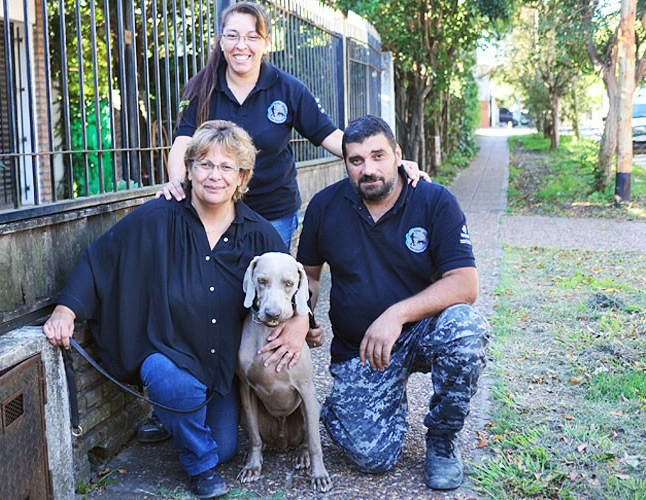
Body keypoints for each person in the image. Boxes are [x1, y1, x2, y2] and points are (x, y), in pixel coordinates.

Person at [43, 120, 309, 499]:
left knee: (226, 448)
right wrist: (66, 310)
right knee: (172, 388)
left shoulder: (259, 234)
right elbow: (101, 258)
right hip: (170, 354)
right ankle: (200, 468)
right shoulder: (158, 217)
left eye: (226, 167)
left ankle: (178, 420)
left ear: (242, 177)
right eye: (204, 164)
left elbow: (291, 283)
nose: (214, 176)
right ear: (189, 169)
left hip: (221, 370)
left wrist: (301, 321)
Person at [295, 115, 489, 490]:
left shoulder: (434, 201)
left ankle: (443, 439)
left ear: (398, 155)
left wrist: (396, 314)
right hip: (362, 348)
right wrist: (303, 318)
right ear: (345, 163)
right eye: (356, 160)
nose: (368, 169)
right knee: (372, 458)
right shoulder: (323, 206)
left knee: (466, 329)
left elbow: (465, 284)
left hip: (422, 333)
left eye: (378, 156)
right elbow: (310, 275)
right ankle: (353, 403)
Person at [157, 1, 425, 248]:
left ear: (266, 43)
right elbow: (183, 141)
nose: (242, 45)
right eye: (232, 36)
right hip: (213, 211)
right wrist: (177, 183)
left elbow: (330, 135)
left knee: (268, 296)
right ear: (221, 41)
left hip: (274, 213)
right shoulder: (201, 88)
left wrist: (387, 162)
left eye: (252, 37)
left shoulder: (288, 89)